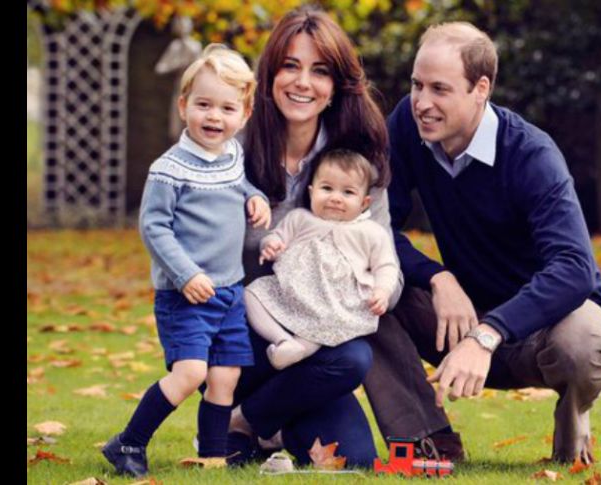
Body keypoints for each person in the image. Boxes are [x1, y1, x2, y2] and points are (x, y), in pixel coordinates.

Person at [363, 22, 601, 465]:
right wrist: (437, 276)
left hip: (541, 332)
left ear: (480, 88)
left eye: (440, 89)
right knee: (363, 284)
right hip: (458, 318)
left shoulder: (532, 156)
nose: (422, 103)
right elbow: (372, 226)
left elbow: (575, 268)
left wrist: (488, 334)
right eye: (417, 85)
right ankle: (429, 440)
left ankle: (572, 429)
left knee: (587, 338)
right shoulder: (407, 123)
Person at [205, 5, 403, 468]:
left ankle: (247, 422)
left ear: (335, 87)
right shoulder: (230, 144)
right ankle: (259, 415)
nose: (302, 82)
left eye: (319, 71)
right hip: (243, 331)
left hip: (320, 341)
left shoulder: (357, 164)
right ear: (270, 74)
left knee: (353, 452)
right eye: (290, 66)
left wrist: (377, 291)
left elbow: (383, 256)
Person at [101, 44, 271, 477]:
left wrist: (256, 198)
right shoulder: (169, 169)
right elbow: (154, 227)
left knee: (225, 378)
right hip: (186, 294)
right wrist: (185, 273)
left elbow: (241, 185)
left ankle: (212, 456)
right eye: (204, 105)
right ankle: (128, 443)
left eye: (227, 108)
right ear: (184, 107)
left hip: (229, 291)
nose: (214, 117)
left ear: (245, 114)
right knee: (191, 372)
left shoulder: (232, 156)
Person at [246, 149, 400, 370]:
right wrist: (270, 245)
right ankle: (283, 341)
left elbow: (386, 265)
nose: (335, 198)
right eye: (327, 188)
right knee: (251, 294)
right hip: (292, 293)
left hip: (336, 301)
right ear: (311, 192)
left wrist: (382, 291)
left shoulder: (371, 232)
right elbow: (276, 237)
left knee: (328, 323)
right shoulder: (300, 219)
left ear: (365, 202)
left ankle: (300, 347)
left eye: (348, 192)